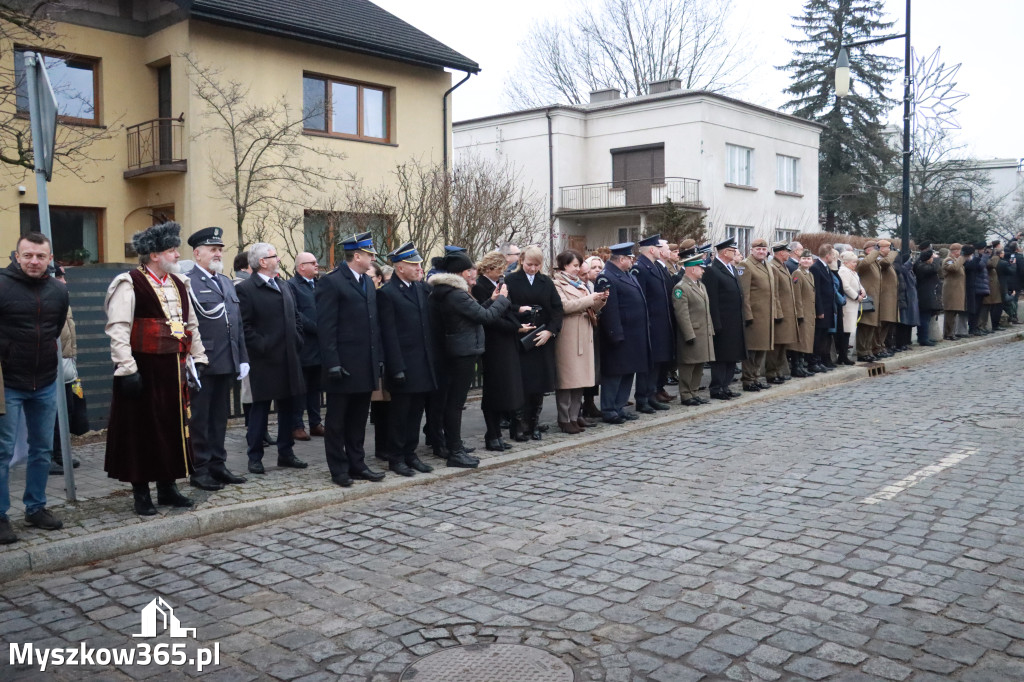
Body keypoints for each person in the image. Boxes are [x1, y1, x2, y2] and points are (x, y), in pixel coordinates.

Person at [104, 222, 206, 516]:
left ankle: (167, 487)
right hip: (142, 369)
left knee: (171, 428)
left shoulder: (179, 283)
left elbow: (191, 325)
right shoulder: (129, 283)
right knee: (141, 430)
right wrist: (127, 368)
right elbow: (119, 328)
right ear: (154, 255)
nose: (177, 255)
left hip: (173, 370)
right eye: (171, 250)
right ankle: (141, 493)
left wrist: (199, 357)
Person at [0, 233, 70, 542]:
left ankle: (36, 507)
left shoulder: (58, 290)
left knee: (42, 449)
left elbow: (55, 329)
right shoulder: (2, 285)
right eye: (27, 255)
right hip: (7, 382)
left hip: (44, 380)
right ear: (17, 256)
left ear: (49, 259)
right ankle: (0, 515)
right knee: (2, 451)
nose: (34, 261)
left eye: (40, 256)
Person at [428, 251, 511, 467]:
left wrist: (492, 300)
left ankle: (451, 445)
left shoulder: (447, 291)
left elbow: (473, 315)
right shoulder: (456, 294)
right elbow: (486, 317)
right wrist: (502, 299)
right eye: (469, 269)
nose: (473, 272)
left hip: (457, 351)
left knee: (450, 402)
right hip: (461, 353)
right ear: (461, 273)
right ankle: (455, 451)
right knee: (455, 404)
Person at [317, 233, 385, 486]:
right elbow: (326, 327)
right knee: (337, 421)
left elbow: (373, 325)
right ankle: (338, 469)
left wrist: (378, 357)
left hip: (365, 363)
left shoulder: (367, 282)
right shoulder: (332, 282)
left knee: (358, 419)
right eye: (369, 254)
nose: (372, 258)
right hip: (343, 365)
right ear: (357, 256)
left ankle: (357, 464)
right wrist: (333, 363)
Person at [186, 227, 249, 491]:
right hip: (203, 362)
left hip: (226, 360)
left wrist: (242, 357)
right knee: (200, 419)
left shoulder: (225, 282)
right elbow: (187, 326)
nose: (218, 254)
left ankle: (217, 464)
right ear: (197, 253)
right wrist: (192, 359)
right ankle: (200, 469)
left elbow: (237, 324)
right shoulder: (188, 282)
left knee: (219, 418)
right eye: (212, 249)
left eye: (220, 250)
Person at [236, 242, 307, 476]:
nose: (278, 259)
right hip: (264, 360)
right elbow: (244, 326)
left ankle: (286, 452)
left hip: (289, 357)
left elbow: (296, 316)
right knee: (260, 409)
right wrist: (263, 345)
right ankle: (255, 457)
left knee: (288, 407)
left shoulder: (283, 285)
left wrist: (297, 338)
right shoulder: (246, 289)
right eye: (274, 256)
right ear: (262, 262)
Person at [377, 242, 437, 476]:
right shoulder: (388, 293)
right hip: (403, 364)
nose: (419, 268)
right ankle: (396, 457)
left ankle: (410, 453)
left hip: (422, 363)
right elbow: (389, 334)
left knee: (415, 413)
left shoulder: (421, 289)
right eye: (414, 265)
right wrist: (396, 367)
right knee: (399, 415)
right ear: (400, 268)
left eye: (419, 264)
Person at [505, 246, 563, 439]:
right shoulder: (511, 280)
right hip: (520, 338)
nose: (533, 269)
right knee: (521, 383)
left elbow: (557, 309)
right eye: (530, 264)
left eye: (537, 265)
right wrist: (519, 312)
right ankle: (519, 424)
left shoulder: (546, 281)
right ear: (522, 260)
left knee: (538, 384)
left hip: (541, 338)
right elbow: (504, 306)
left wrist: (550, 331)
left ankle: (533, 423)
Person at [472, 251, 529, 448]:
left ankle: (497, 434)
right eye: (499, 269)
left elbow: (506, 307)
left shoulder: (499, 284)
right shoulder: (480, 286)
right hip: (494, 343)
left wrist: (519, 312)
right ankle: (492, 434)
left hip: (506, 341)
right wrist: (516, 327)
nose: (502, 273)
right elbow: (490, 317)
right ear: (489, 268)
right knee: (494, 390)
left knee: (505, 389)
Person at [553, 250, 607, 433]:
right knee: (567, 379)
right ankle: (564, 418)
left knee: (580, 379)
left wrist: (600, 300)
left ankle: (575, 416)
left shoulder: (579, 284)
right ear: (564, 265)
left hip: (584, 333)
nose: (577, 269)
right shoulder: (557, 284)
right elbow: (564, 306)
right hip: (568, 335)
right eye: (574, 265)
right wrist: (589, 299)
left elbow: (590, 308)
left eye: (578, 265)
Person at [594, 243, 649, 422]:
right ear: (622, 259)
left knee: (628, 371)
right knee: (614, 374)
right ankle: (609, 409)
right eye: (630, 258)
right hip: (618, 334)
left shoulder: (626, 274)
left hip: (633, 334)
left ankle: (619, 406)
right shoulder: (606, 277)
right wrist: (614, 334)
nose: (633, 261)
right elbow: (609, 309)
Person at [630, 234, 674, 411]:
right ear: (652, 249)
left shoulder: (653, 266)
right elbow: (640, 298)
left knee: (656, 362)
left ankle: (651, 394)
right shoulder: (640, 268)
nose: (660, 250)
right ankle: (642, 399)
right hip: (649, 324)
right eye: (658, 247)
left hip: (660, 323)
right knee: (648, 364)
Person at [287, 252, 323, 442]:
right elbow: (296, 313)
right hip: (304, 344)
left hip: (319, 345)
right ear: (301, 266)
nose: (317, 265)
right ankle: (297, 425)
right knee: (301, 388)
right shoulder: (292, 286)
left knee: (316, 388)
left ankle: (315, 423)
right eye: (313, 262)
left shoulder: (319, 284)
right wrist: (317, 327)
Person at [703, 238, 745, 400]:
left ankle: (725, 386)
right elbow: (712, 300)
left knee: (732, 355)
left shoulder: (731, 268)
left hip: (735, 321)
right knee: (721, 357)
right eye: (732, 250)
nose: (735, 253)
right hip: (722, 322)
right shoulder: (713, 271)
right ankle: (716, 388)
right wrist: (716, 323)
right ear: (724, 252)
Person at [50, 265, 81, 475]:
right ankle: (51, 456)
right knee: (53, 414)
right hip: (51, 365)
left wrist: (72, 358)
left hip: (67, 364)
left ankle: (61, 453)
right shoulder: (48, 298)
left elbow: (69, 331)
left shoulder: (63, 299)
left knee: (67, 410)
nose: (64, 281)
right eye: (61, 276)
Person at [671, 255, 714, 406]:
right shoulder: (681, 288)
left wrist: (710, 330)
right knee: (688, 365)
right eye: (701, 268)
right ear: (693, 269)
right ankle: (686, 394)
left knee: (699, 364)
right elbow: (682, 314)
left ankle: (694, 392)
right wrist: (689, 334)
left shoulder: (701, 285)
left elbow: (706, 311)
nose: (703, 271)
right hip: (692, 333)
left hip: (703, 332)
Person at [738, 238, 777, 392]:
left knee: (762, 348)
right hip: (754, 316)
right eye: (758, 249)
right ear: (752, 250)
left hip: (766, 315)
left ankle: (755, 377)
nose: (761, 252)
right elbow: (744, 294)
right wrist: (748, 315)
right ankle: (748, 380)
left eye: (763, 249)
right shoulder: (746, 265)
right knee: (752, 349)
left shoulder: (766, 264)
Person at [767, 242, 797, 384]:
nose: (789, 254)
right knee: (777, 345)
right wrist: (778, 312)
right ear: (780, 253)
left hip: (787, 312)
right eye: (787, 251)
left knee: (782, 344)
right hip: (780, 313)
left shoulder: (782, 266)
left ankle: (778, 371)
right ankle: (771, 373)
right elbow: (775, 293)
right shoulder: (774, 267)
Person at [581, 255, 605, 418]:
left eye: (599, 267)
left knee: (595, 369)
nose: (597, 270)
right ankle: (583, 404)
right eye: (593, 267)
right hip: (584, 330)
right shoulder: (583, 286)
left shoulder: (597, 285)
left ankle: (590, 402)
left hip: (596, 331)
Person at [790, 250, 817, 372]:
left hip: (809, 312)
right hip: (802, 313)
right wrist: (799, 314)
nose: (806, 261)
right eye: (804, 259)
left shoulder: (809, 274)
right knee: (800, 341)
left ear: (812, 261)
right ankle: (796, 366)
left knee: (806, 341)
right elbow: (797, 295)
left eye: (808, 259)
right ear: (799, 260)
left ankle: (801, 365)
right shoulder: (797, 273)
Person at [837, 252, 866, 363]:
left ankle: (844, 355)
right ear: (846, 262)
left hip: (853, 304)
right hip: (848, 305)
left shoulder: (851, 271)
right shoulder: (844, 271)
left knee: (848, 331)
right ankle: (843, 356)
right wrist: (856, 296)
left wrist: (863, 291)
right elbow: (845, 287)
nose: (855, 264)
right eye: (853, 262)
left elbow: (858, 284)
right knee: (846, 331)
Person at [856, 241, 882, 361]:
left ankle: (868, 350)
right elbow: (864, 265)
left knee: (871, 326)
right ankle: (862, 351)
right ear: (867, 250)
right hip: (867, 300)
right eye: (874, 248)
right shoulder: (862, 258)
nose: (877, 250)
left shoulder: (875, 261)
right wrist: (876, 251)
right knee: (865, 326)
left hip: (874, 299)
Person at [913, 249, 941, 346]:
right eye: (932, 258)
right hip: (925, 296)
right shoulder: (921, 267)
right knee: (924, 318)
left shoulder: (922, 264)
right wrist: (937, 259)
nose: (933, 259)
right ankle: (923, 338)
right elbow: (934, 269)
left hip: (928, 295)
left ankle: (924, 337)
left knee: (927, 318)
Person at [942, 243, 967, 340]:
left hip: (956, 291)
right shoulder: (948, 260)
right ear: (956, 251)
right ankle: (948, 334)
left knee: (954, 313)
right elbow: (953, 268)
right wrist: (961, 258)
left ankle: (951, 333)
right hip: (951, 291)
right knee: (950, 313)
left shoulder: (956, 260)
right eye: (960, 251)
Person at [985, 246, 1004, 331]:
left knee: (996, 306)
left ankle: (995, 324)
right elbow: (992, 265)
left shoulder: (991, 259)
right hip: (992, 287)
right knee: (995, 306)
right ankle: (994, 325)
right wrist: (996, 255)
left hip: (994, 286)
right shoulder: (991, 259)